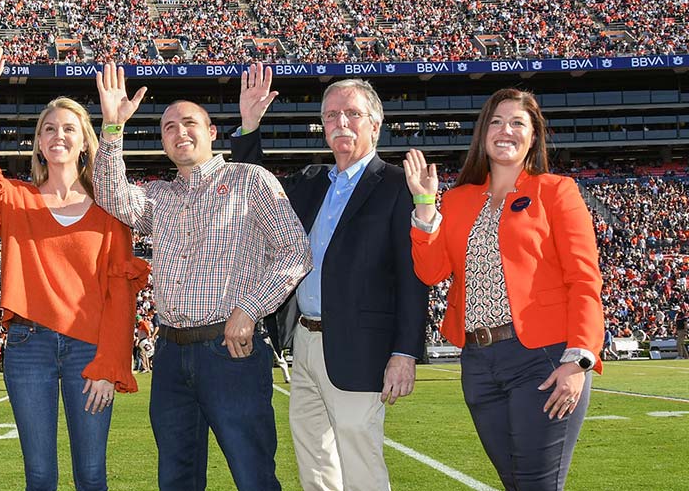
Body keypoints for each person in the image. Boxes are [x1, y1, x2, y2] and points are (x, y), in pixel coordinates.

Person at [90, 62, 312, 490]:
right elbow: (111, 196)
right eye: (169, 127)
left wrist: (250, 308)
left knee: (253, 475)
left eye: (189, 122)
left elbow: (295, 250)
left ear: (211, 132)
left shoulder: (250, 180)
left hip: (229, 350)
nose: (180, 132)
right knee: (176, 478)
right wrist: (113, 128)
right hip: (171, 353)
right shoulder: (159, 195)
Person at [0, 47, 150, 491]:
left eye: (69, 128)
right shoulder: (16, 199)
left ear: (85, 141)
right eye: (48, 128)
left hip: (89, 352)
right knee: (39, 476)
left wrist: (110, 364)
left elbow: (121, 292)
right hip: (27, 347)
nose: (58, 135)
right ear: (38, 142)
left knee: (91, 474)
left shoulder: (111, 209)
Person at [231, 70, 428, 490]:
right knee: (313, 460)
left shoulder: (398, 185)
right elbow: (256, 191)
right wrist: (249, 126)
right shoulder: (310, 181)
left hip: (362, 346)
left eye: (352, 113)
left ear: (375, 123)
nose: (341, 122)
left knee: (360, 459)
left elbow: (413, 276)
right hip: (305, 340)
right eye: (331, 115)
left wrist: (405, 352)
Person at [405, 88, 603, 490]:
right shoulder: (457, 200)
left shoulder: (556, 190)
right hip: (478, 364)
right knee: (514, 483)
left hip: (542, 358)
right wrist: (425, 205)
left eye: (517, 123)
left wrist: (579, 359)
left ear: (533, 135)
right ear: (482, 133)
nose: (505, 130)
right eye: (495, 122)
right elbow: (431, 272)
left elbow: (584, 277)